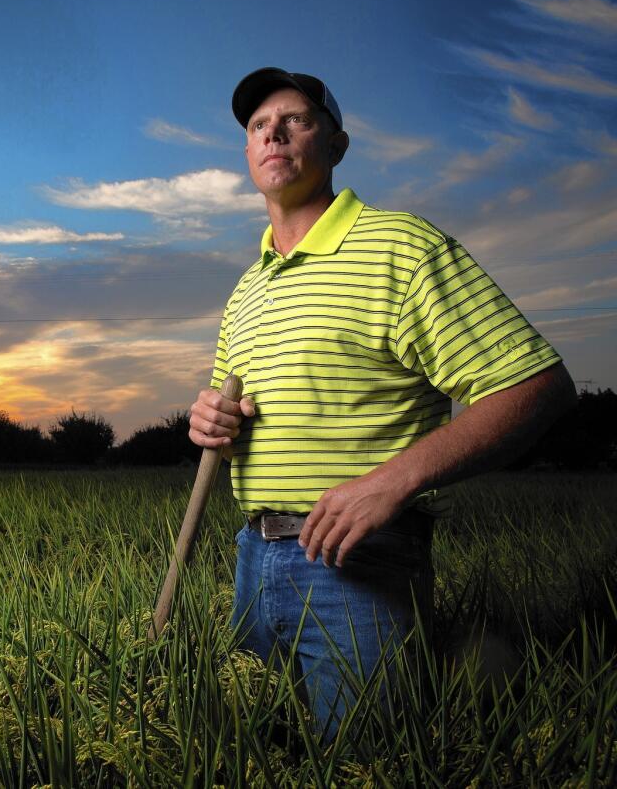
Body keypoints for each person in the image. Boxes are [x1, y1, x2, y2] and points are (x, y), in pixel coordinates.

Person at [188, 67, 577, 738]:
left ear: (337, 144)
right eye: (257, 126)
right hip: (253, 560)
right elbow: (232, 426)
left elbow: (535, 386)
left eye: (296, 118)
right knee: (258, 751)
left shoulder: (400, 247)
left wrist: (394, 481)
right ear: (247, 153)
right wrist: (212, 425)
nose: (273, 132)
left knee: (367, 758)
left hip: (357, 563)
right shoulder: (246, 289)